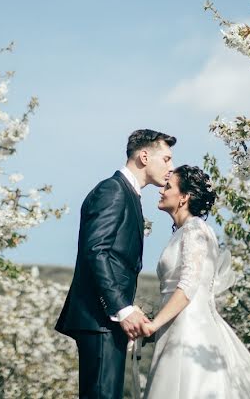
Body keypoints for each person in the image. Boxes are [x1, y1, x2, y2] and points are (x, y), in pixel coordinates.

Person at [55, 129, 176, 399]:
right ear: (145, 156)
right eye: (166, 159)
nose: (171, 167)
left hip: (106, 321)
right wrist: (122, 309)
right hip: (100, 319)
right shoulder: (113, 190)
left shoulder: (128, 194)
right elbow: (96, 250)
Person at [141, 164, 250, 399]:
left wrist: (153, 324)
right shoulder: (184, 231)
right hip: (175, 326)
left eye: (168, 186)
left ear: (184, 197)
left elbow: (188, 286)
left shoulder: (195, 230)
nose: (161, 191)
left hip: (188, 330)